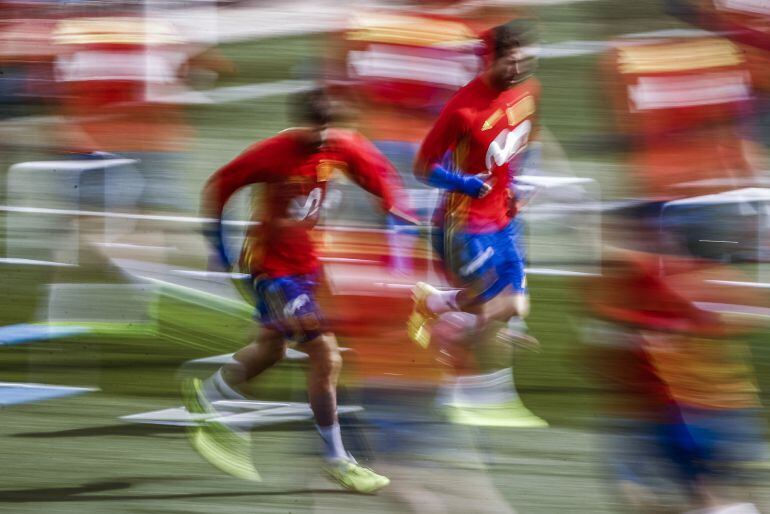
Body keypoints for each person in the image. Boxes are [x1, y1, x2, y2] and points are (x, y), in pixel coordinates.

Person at [185, 88, 412, 494]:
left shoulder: (338, 145)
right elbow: (220, 185)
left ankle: (211, 393)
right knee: (326, 355)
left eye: (329, 128)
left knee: (271, 348)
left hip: (309, 266)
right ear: (301, 123)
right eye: (317, 128)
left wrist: (394, 216)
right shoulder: (272, 153)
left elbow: (381, 177)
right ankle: (337, 460)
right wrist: (216, 247)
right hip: (271, 270)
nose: (324, 137)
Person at [407, 19, 546, 427]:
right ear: (492, 58)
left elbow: (528, 137)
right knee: (493, 309)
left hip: (504, 217)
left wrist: (520, 182)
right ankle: (456, 386)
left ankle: (433, 305)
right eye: (511, 62)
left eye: (525, 61)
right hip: (464, 224)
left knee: (515, 305)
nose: (519, 70)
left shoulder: (528, 92)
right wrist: (465, 183)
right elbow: (422, 168)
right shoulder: (462, 108)